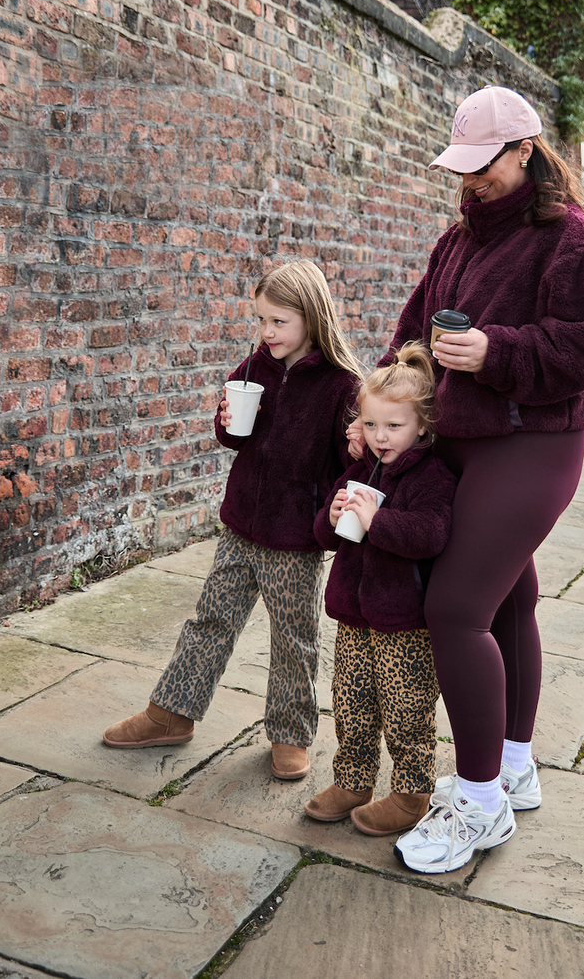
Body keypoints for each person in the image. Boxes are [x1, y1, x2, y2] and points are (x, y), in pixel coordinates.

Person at [373, 86, 584, 874]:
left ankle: (480, 802)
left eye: (484, 166)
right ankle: (514, 765)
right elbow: (413, 329)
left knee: (454, 608)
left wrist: (496, 353)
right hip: (462, 439)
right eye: (462, 166)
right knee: (509, 596)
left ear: (525, 152)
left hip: (534, 443)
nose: (471, 180)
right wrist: (388, 395)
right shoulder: (457, 241)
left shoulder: (572, 242)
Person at [102, 260, 362, 781]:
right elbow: (235, 439)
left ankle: (290, 735)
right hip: (241, 524)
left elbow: (350, 464)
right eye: (261, 320)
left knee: (294, 639)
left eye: (278, 321)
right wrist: (227, 422)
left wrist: (348, 469)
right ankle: (171, 711)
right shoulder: (253, 368)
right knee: (210, 619)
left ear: (311, 317)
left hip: (295, 538)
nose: (267, 332)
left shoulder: (342, 386)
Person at [304, 342, 458, 836]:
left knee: (406, 710)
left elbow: (431, 534)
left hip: (404, 622)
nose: (380, 436)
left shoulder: (432, 476)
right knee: (350, 701)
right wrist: (330, 518)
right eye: (370, 424)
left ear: (422, 426)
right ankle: (352, 780)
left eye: (393, 426)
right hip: (354, 612)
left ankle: (412, 791)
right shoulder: (360, 468)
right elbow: (327, 536)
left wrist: (380, 520)